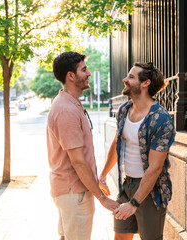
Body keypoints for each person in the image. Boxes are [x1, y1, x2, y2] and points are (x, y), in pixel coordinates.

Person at [47, 51, 119, 240]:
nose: (88, 74)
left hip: (71, 191)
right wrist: (102, 198)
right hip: (74, 192)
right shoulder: (66, 110)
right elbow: (78, 162)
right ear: (71, 76)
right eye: (84, 70)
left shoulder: (70, 103)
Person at [99, 62, 175, 240]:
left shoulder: (161, 119)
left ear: (145, 83)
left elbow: (155, 168)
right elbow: (117, 143)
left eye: (131, 77)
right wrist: (103, 174)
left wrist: (134, 203)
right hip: (127, 185)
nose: (125, 80)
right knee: (120, 237)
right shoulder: (124, 110)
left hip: (150, 190)